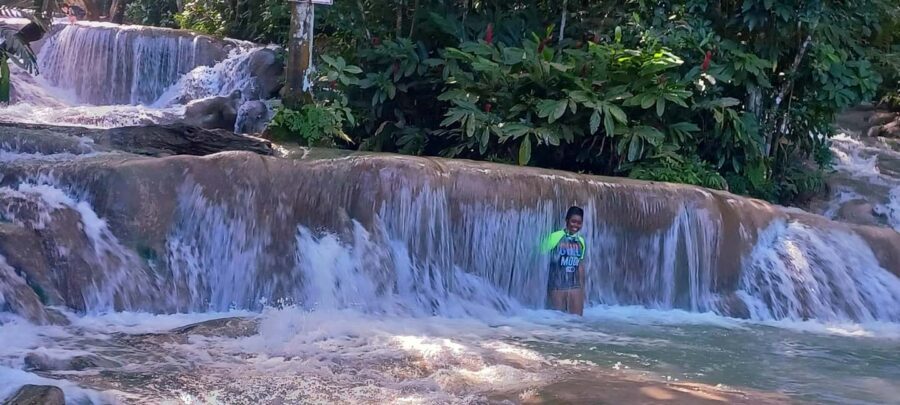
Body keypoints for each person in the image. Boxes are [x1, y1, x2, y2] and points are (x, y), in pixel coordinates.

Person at [541, 206, 587, 316]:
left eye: (579, 223)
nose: (575, 225)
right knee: (558, 322)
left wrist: (582, 288)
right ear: (566, 221)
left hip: (575, 287)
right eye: (573, 221)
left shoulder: (581, 241)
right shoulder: (554, 237)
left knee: (577, 323)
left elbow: (580, 265)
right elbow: (540, 259)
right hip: (557, 286)